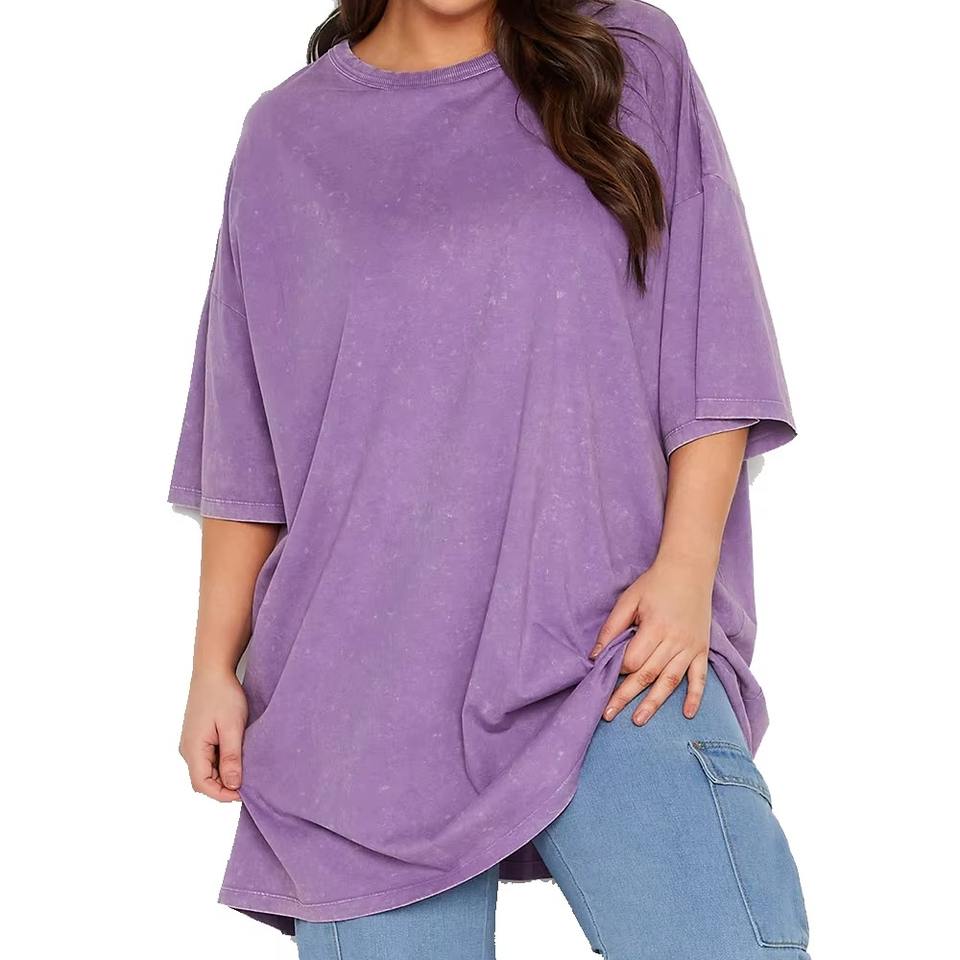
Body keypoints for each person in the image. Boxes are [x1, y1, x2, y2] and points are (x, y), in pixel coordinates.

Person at [167, 1, 811, 957]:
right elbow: (247, 439)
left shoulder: (627, 58)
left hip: (610, 644)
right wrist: (212, 668)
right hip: (357, 704)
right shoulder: (286, 138)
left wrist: (685, 570)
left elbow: (710, 339)